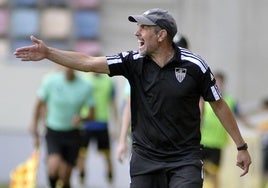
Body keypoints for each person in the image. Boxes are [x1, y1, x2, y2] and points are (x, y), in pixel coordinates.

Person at [14, 8, 251, 188]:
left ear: (161, 35)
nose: (137, 32)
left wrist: (241, 146)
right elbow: (88, 63)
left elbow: (219, 105)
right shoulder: (132, 61)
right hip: (146, 159)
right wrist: (48, 53)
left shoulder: (195, 66)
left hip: (184, 159)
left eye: (143, 28)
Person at [116, 34, 189, 163]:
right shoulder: (140, 70)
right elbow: (129, 106)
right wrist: (122, 140)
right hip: (144, 139)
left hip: (176, 141)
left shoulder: (190, 74)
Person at [30, 66, 94, 188]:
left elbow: (92, 115)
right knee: (53, 167)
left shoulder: (85, 86)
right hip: (53, 131)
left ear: (75, 67)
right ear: (61, 66)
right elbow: (38, 105)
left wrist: (81, 118)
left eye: (71, 65)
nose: (68, 68)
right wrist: (35, 129)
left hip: (73, 133)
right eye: (65, 65)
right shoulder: (50, 81)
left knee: (65, 176)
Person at [200, 71, 249, 188]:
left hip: (217, 143)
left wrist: (251, 126)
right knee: (198, 172)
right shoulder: (204, 100)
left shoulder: (230, 101)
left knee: (213, 173)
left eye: (219, 83)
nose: (217, 85)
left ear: (223, 84)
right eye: (215, 82)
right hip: (202, 142)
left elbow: (240, 116)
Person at [76, 72, 117, 185]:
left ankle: (110, 179)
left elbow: (113, 104)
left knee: (107, 155)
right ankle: (81, 178)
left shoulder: (108, 81)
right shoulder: (83, 80)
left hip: (102, 123)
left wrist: (116, 126)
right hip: (86, 123)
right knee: (81, 154)